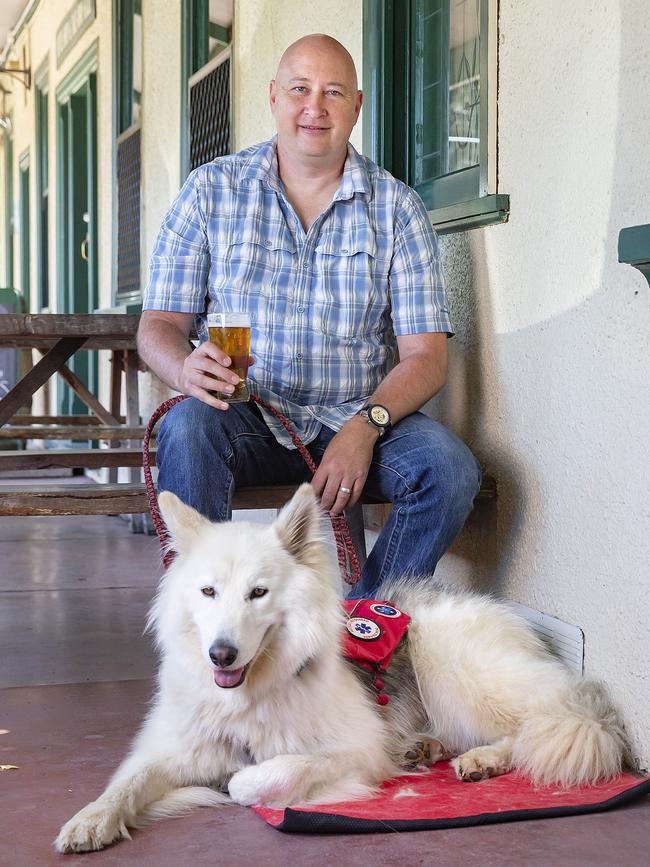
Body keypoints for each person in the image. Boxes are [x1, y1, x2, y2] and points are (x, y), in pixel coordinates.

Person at [138, 33, 481, 599]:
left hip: (357, 416)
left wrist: (366, 426)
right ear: (273, 96)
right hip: (244, 416)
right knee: (187, 426)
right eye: (300, 89)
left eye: (333, 92)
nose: (314, 107)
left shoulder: (397, 208)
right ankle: (207, 629)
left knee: (448, 469)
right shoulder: (210, 192)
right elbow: (159, 327)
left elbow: (427, 357)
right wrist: (183, 370)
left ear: (358, 106)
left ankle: (358, 635)